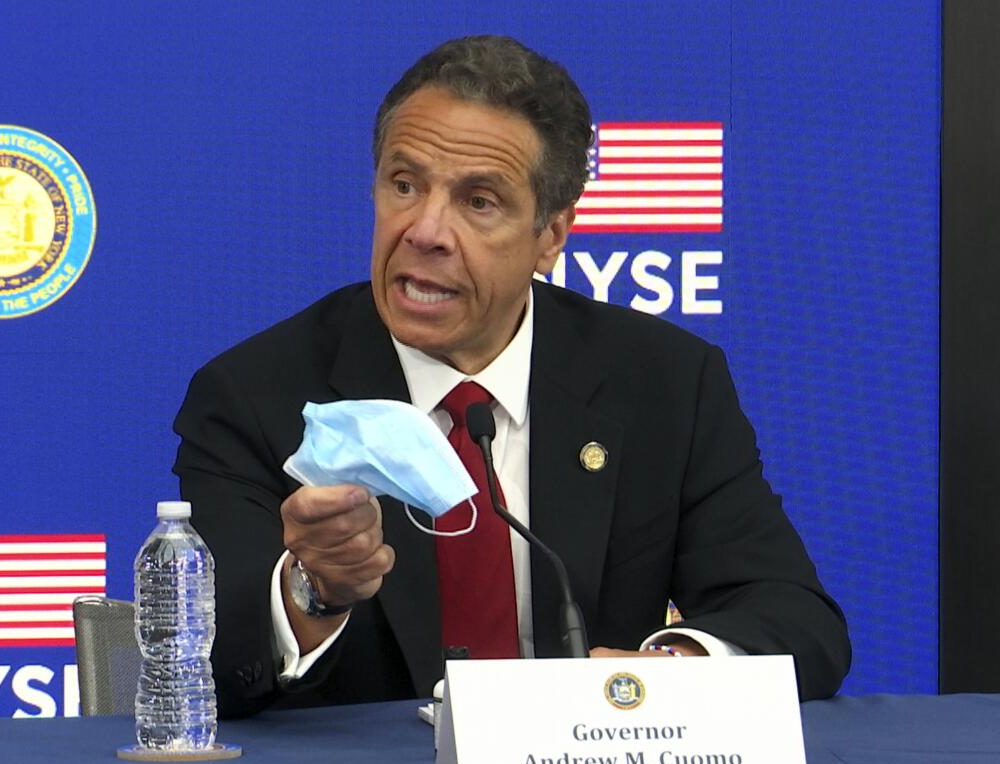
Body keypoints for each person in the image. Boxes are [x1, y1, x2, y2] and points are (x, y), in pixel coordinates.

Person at [173, 35, 851, 718]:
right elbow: (204, 661)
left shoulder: (666, 383)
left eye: (479, 202)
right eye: (404, 185)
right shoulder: (257, 395)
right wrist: (310, 591)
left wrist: (675, 672)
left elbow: (796, 619)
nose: (426, 230)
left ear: (551, 235)